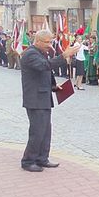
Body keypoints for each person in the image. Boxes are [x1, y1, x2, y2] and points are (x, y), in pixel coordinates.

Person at [20, 30, 80, 172]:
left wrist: (54, 86)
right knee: (37, 131)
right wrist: (64, 55)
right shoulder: (30, 54)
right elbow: (44, 66)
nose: (50, 45)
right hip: (35, 100)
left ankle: (42, 158)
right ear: (38, 41)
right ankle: (28, 161)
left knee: (46, 131)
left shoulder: (40, 53)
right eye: (47, 42)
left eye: (51, 41)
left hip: (43, 97)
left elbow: (45, 72)